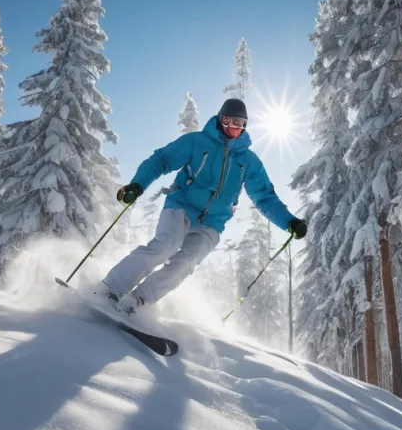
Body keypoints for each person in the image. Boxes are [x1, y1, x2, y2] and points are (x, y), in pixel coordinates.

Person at [94, 98, 307, 315]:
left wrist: (289, 221)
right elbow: (162, 160)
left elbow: (264, 197)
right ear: (219, 119)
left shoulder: (249, 161)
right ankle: (110, 289)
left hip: (213, 223)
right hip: (182, 206)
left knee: (186, 262)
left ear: (245, 125)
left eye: (239, 122)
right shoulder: (197, 142)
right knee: (166, 245)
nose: (233, 126)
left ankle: (136, 302)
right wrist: (137, 185)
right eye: (228, 120)